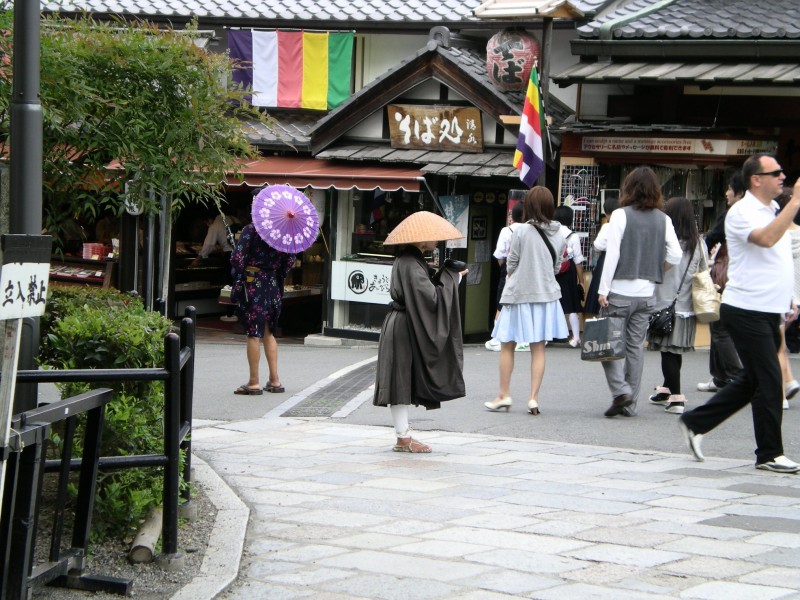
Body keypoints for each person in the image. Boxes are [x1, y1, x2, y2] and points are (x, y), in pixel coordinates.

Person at [679, 153, 800, 473]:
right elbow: (767, 239)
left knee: (753, 379)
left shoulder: (771, 208)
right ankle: (770, 453)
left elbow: (778, 256)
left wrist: (788, 296)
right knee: (770, 379)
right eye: (775, 172)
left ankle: (695, 422)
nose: (783, 177)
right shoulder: (742, 212)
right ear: (756, 180)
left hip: (767, 308)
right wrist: (796, 203)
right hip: (745, 308)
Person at [373, 211, 468, 453]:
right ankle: (403, 438)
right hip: (403, 325)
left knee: (400, 380)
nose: (437, 241)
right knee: (399, 380)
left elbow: (425, 293)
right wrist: (452, 279)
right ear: (421, 238)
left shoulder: (408, 260)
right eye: (434, 237)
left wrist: (443, 277)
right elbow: (432, 299)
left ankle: (402, 436)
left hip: (400, 322)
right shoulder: (410, 263)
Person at [597, 166, 682, 418]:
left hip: (619, 292)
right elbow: (675, 255)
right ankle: (630, 403)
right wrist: (657, 268)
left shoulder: (621, 215)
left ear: (629, 189)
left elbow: (612, 253)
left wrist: (603, 288)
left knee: (607, 345)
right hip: (646, 294)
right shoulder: (663, 219)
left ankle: (621, 391)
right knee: (635, 347)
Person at [484, 186, 569, 416]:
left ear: (529, 206)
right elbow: (556, 267)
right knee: (538, 348)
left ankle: (504, 394)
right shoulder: (561, 234)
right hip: (546, 296)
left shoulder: (520, 231)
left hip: (518, 294)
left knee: (507, 344)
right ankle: (533, 398)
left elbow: (511, 264)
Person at [646, 197, 706, 415]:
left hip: (664, 305)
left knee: (668, 353)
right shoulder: (698, 243)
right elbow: (703, 270)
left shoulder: (664, 242)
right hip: (686, 306)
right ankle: (666, 390)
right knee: (673, 352)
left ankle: (677, 399)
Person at [229, 222, 296, 396]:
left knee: (253, 332)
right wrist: (276, 271)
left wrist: (240, 273)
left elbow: (237, 258)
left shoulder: (252, 229)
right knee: (269, 331)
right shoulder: (283, 230)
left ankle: (253, 382)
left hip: (253, 282)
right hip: (273, 283)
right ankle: (275, 380)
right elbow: (289, 260)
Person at [696, 172, 745, 393]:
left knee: (720, 327)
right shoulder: (760, 214)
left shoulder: (733, 214)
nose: (726, 193)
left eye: (729, 189)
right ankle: (720, 377)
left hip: (726, 276)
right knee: (723, 328)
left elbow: (711, 239)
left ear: (740, 192)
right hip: (744, 277)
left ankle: (735, 376)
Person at [485, 202, 527, 352]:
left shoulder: (506, 230)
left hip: (508, 270)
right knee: (523, 303)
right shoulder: (531, 231)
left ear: (512, 216)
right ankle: (524, 339)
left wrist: (503, 268)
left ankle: (497, 337)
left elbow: (499, 254)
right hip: (526, 271)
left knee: (501, 303)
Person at [775, 190, 800, 408]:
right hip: (794, 297)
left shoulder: (777, 234)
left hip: (781, 295)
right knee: (779, 344)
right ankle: (788, 380)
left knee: (776, 346)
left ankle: (783, 389)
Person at [192, 210, 239, 321]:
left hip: (230, 256)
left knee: (229, 284)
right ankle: (241, 312)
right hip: (242, 255)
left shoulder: (216, 225)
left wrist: (197, 259)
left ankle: (230, 314)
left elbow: (208, 244)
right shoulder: (234, 219)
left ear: (209, 219)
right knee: (240, 282)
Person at [552, 205, 585, 348]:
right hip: (568, 271)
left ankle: (547, 336)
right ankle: (576, 337)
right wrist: (581, 280)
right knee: (571, 304)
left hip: (551, 270)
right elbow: (578, 260)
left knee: (551, 303)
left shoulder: (550, 233)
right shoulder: (573, 236)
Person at [583, 195, 619, 317]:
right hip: (621, 262)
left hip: (605, 260)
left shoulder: (607, 226)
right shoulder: (626, 225)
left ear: (607, 212)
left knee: (601, 289)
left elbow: (597, 246)